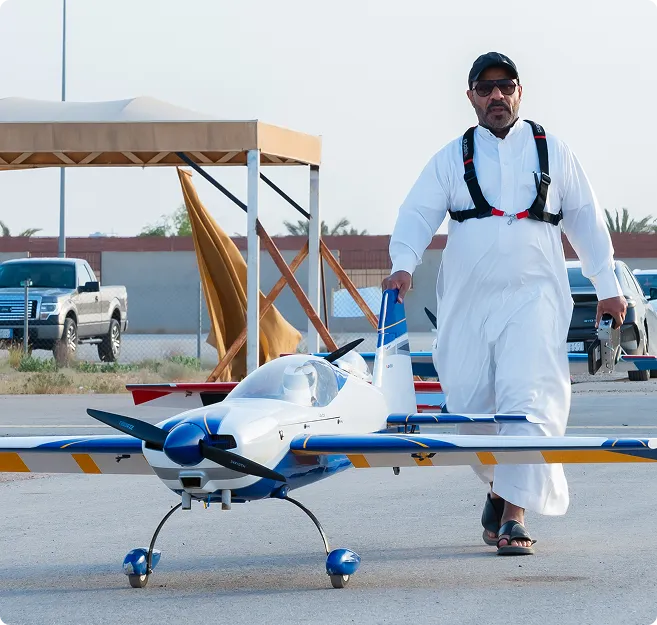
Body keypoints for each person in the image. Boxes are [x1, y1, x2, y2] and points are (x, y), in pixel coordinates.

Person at [382, 52, 627, 555]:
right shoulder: (451, 158)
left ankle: (515, 515)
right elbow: (416, 213)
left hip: (535, 298)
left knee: (527, 402)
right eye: (486, 88)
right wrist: (403, 262)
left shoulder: (554, 151)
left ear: (520, 91)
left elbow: (586, 218)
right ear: (470, 97)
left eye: (506, 86)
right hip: (467, 304)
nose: (497, 95)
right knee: (469, 409)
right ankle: (499, 487)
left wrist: (608, 285)